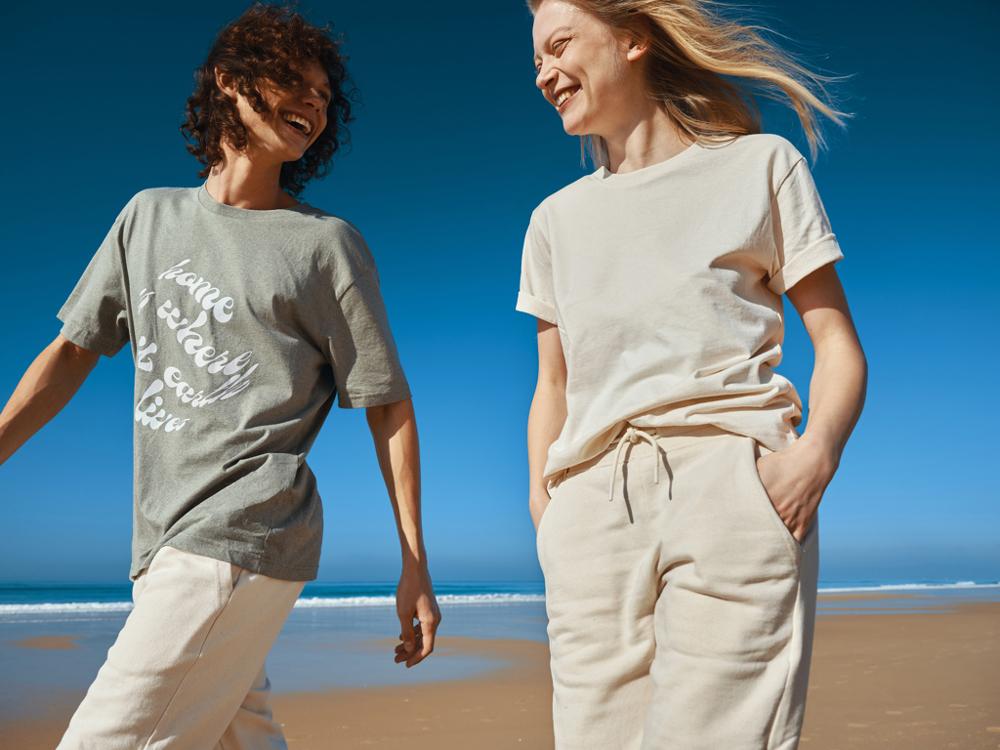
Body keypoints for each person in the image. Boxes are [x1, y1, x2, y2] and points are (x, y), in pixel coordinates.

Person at [0, 4, 440, 747]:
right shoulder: (146, 218)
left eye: (325, 96)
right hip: (159, 538)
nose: (314, 104)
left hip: (243, 527)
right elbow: (72, 352)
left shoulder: (324, 246)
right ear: (232, 81)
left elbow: (386, 402)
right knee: (241, 736)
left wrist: (415, 563)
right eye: (295, 83)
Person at [517, 1, 867, 748]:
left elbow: (836, 343)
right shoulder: (553, 221)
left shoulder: (760, 165)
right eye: (537, 59)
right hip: (590, 508)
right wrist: (548, 513)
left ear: (632, 39)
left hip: (732, 488)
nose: (544, 73)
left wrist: (815, 457)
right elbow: (554, 385)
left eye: (560, 45)